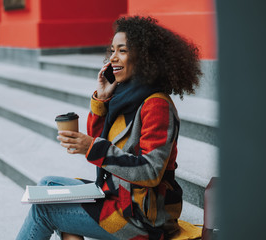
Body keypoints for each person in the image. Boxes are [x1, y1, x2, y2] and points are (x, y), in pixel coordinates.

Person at [16, 16, 201, 240]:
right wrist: (101, 100)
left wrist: (94, 148)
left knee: (45, 209)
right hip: (115, 195)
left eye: (122, 51)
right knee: (47, 186)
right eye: (112, 50)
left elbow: (151, 172)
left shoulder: (156, 105)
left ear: (144, 58)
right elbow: (98, 142)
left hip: (140, 217)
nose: (112, 57)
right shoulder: (125, 96)